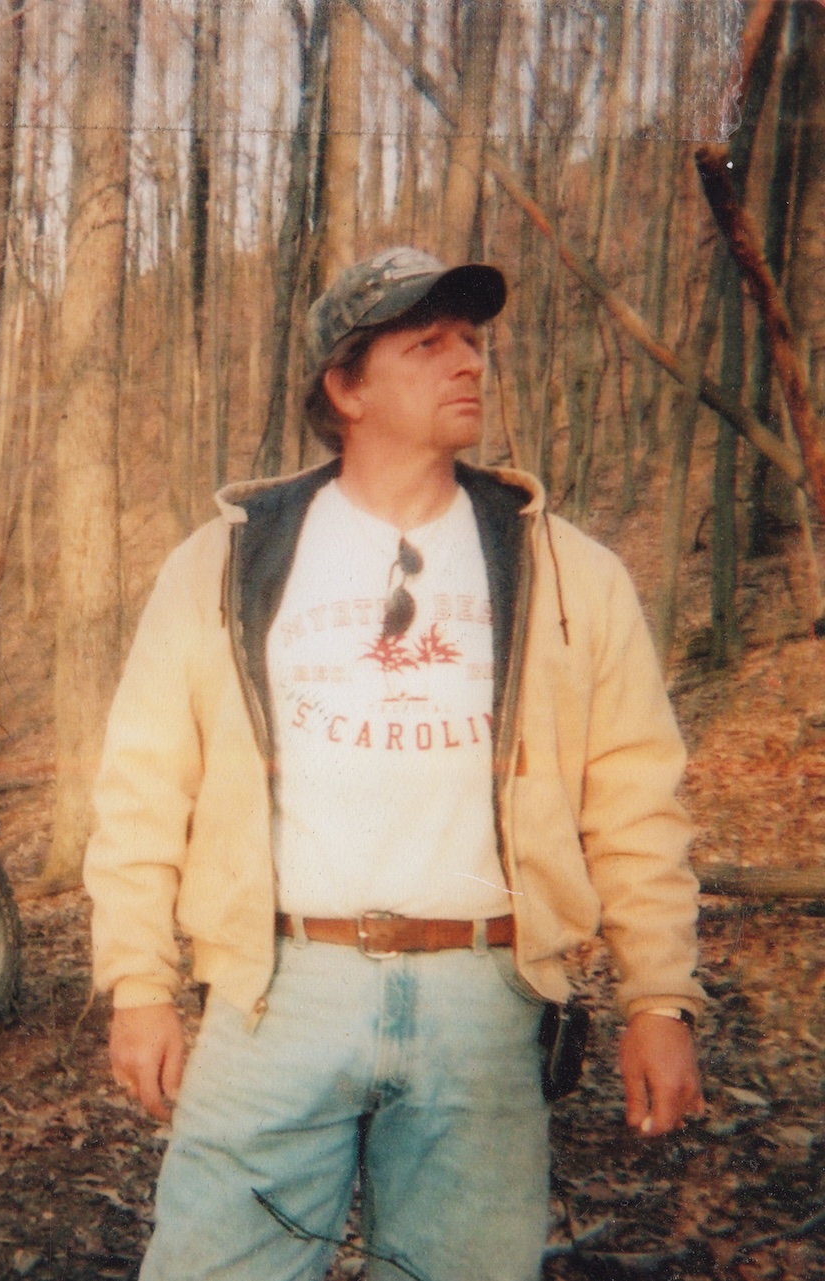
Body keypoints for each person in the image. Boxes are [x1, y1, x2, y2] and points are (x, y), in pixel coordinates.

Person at [83, 246, 704, 1281]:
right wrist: (139, 984)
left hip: (484, 997)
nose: (468, 364)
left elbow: (635, 801)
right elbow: (145, 788)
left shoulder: (569, 575)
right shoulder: (225, 564)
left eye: (472, 342)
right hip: (276, 991)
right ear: (346, 388)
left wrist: (659, 999)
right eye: (427, 346)